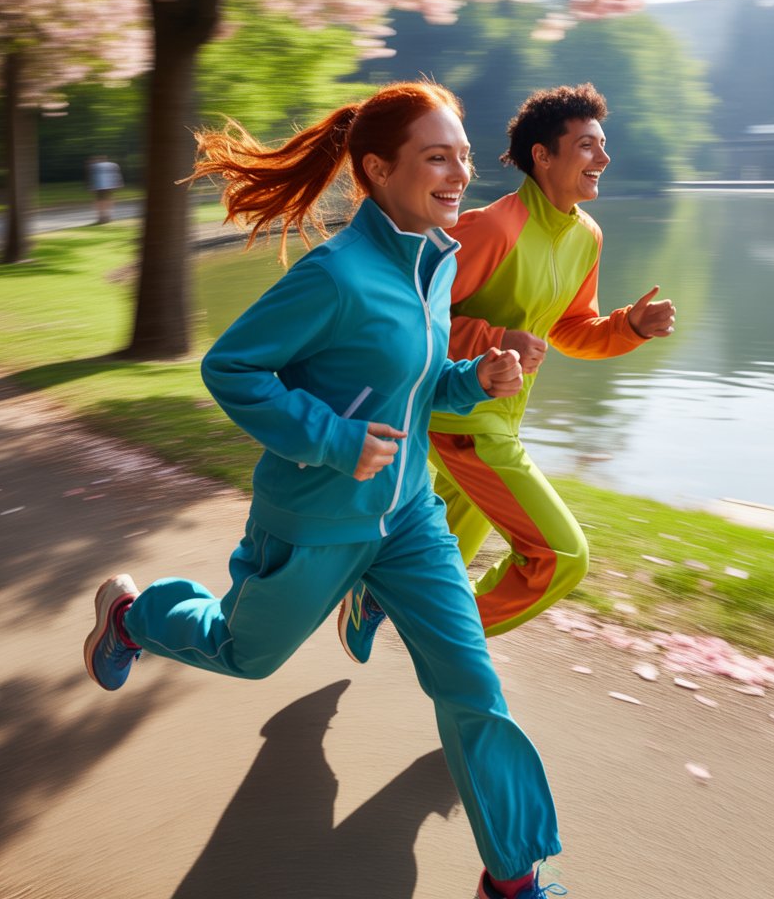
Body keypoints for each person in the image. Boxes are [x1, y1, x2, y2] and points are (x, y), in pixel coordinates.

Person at [83, 81, 568, 899]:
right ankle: (133, 616)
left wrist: (471, 378)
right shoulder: (337, 275)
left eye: (464, 157)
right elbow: (230, 368)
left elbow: (408, 390)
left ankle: (514, 879)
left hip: (409, 519)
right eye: (435, 158)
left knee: (471, 686)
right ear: (378, 169)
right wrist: (335, 442)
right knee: (245, 654)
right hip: (315, 520)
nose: (458, 174)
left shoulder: (434, 264)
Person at [340, 83, 675, 663]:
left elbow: (570, 329)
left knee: (436, 550)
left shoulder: (585, 236)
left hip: (498, 417)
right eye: (588, 145)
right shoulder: (491, 228)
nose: (604, 157)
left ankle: (376, 596)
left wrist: (630, 328)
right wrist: (497, 340)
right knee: (560, 556)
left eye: (604, 145)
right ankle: (445, 638)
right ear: (543, 156)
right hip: (458, 415)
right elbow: (414, 317)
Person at [87, 155, 123, 224]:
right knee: (108, 200)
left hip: (99, 187)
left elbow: (92, 177)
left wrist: (91, 187)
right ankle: (108, 216)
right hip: (110, 186)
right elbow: (117, 175)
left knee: (99, 201)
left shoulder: (94, 166)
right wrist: (119, 184)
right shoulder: (113, 165)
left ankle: (101, 217)